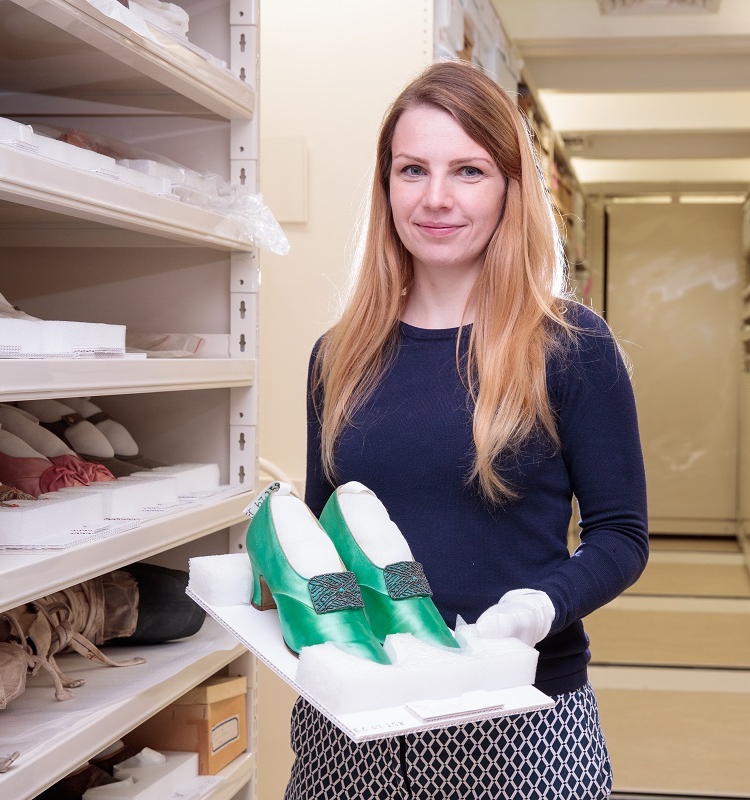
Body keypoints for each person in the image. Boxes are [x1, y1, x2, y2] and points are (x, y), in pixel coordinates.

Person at [291, 59, 649, 800]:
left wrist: (537, 609)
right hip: (355, 721)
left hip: (520, 720)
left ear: (511, 189)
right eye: (412, 170)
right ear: (386, 185)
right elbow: (327, 534)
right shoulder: (339, 355)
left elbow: (621, 535)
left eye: (469, 171)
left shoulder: (569, 346)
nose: (436, 198)